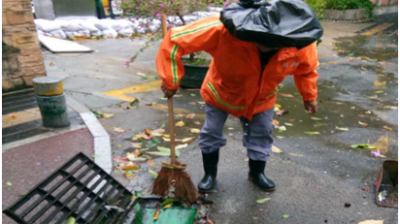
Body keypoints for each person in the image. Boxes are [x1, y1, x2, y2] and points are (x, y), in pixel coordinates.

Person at [156, 0, 323, 192]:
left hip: (262, 99)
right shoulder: (223, 30)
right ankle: (210, 174)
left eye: (274, 44)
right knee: (211, 132)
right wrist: (171, 80)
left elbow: (307, 70)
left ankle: (257, 173)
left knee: (262, 134)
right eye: (262, 42)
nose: (267, 48)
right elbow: (175, 41)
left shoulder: (300, 40)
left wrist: (309, 96)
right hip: (221, 92)